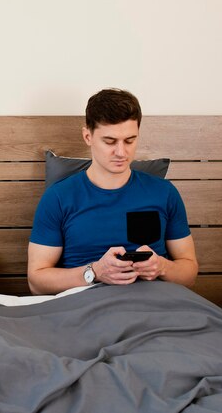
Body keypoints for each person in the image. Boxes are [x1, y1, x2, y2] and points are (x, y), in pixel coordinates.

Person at [27, 88, 198, 295]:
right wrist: (95, 272)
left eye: (129, 140)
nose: (121, 152)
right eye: (109, 141)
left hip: (155, 306)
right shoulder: (58, 198)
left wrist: (162, 266)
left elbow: (189, 273)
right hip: (87, 308)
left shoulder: (164, 192)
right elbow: (36, 282)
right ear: (88, 136)